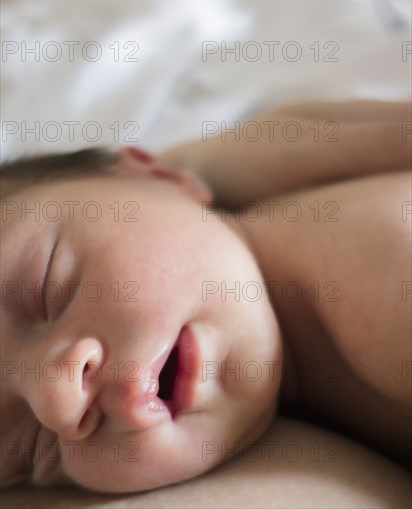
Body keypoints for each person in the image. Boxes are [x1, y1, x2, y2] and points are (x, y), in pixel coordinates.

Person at [0, 100, 410, 493]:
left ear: (159, 178)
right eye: (35, 451)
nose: (61, 401)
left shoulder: (375, 267)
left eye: (48, 290)